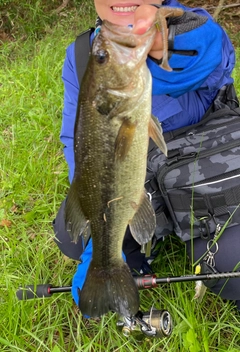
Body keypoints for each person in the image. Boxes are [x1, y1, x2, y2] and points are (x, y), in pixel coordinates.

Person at [53, 0, 240, 312]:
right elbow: (78, 142)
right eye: (104, 56)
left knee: (231, 267)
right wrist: (94, 229)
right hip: (141, 180)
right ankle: (128, 257)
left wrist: (163, 43)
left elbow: (210, 53)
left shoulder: (188, 26)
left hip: (201, 176)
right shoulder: (81, 54)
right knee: (72, 235)